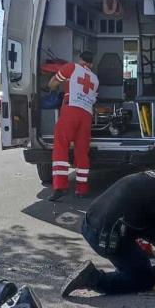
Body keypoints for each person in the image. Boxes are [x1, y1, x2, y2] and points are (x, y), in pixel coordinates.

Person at [62, 159, 155, 296]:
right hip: (105, 236)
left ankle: (126, 271)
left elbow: (153, 231)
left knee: (142, 262)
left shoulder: (152, 177)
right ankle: (93, 278)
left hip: (91, 224)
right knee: (144, 279)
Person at [48, 51, 100, 201]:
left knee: (60, 145)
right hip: (87, 115)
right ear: (91, 64)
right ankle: (82, 189)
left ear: (80, 60)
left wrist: (58, 87)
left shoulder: (71, 67)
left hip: (71, 109)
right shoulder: (95, 80)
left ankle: (60, 186)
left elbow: (52, 83)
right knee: (82, 152)